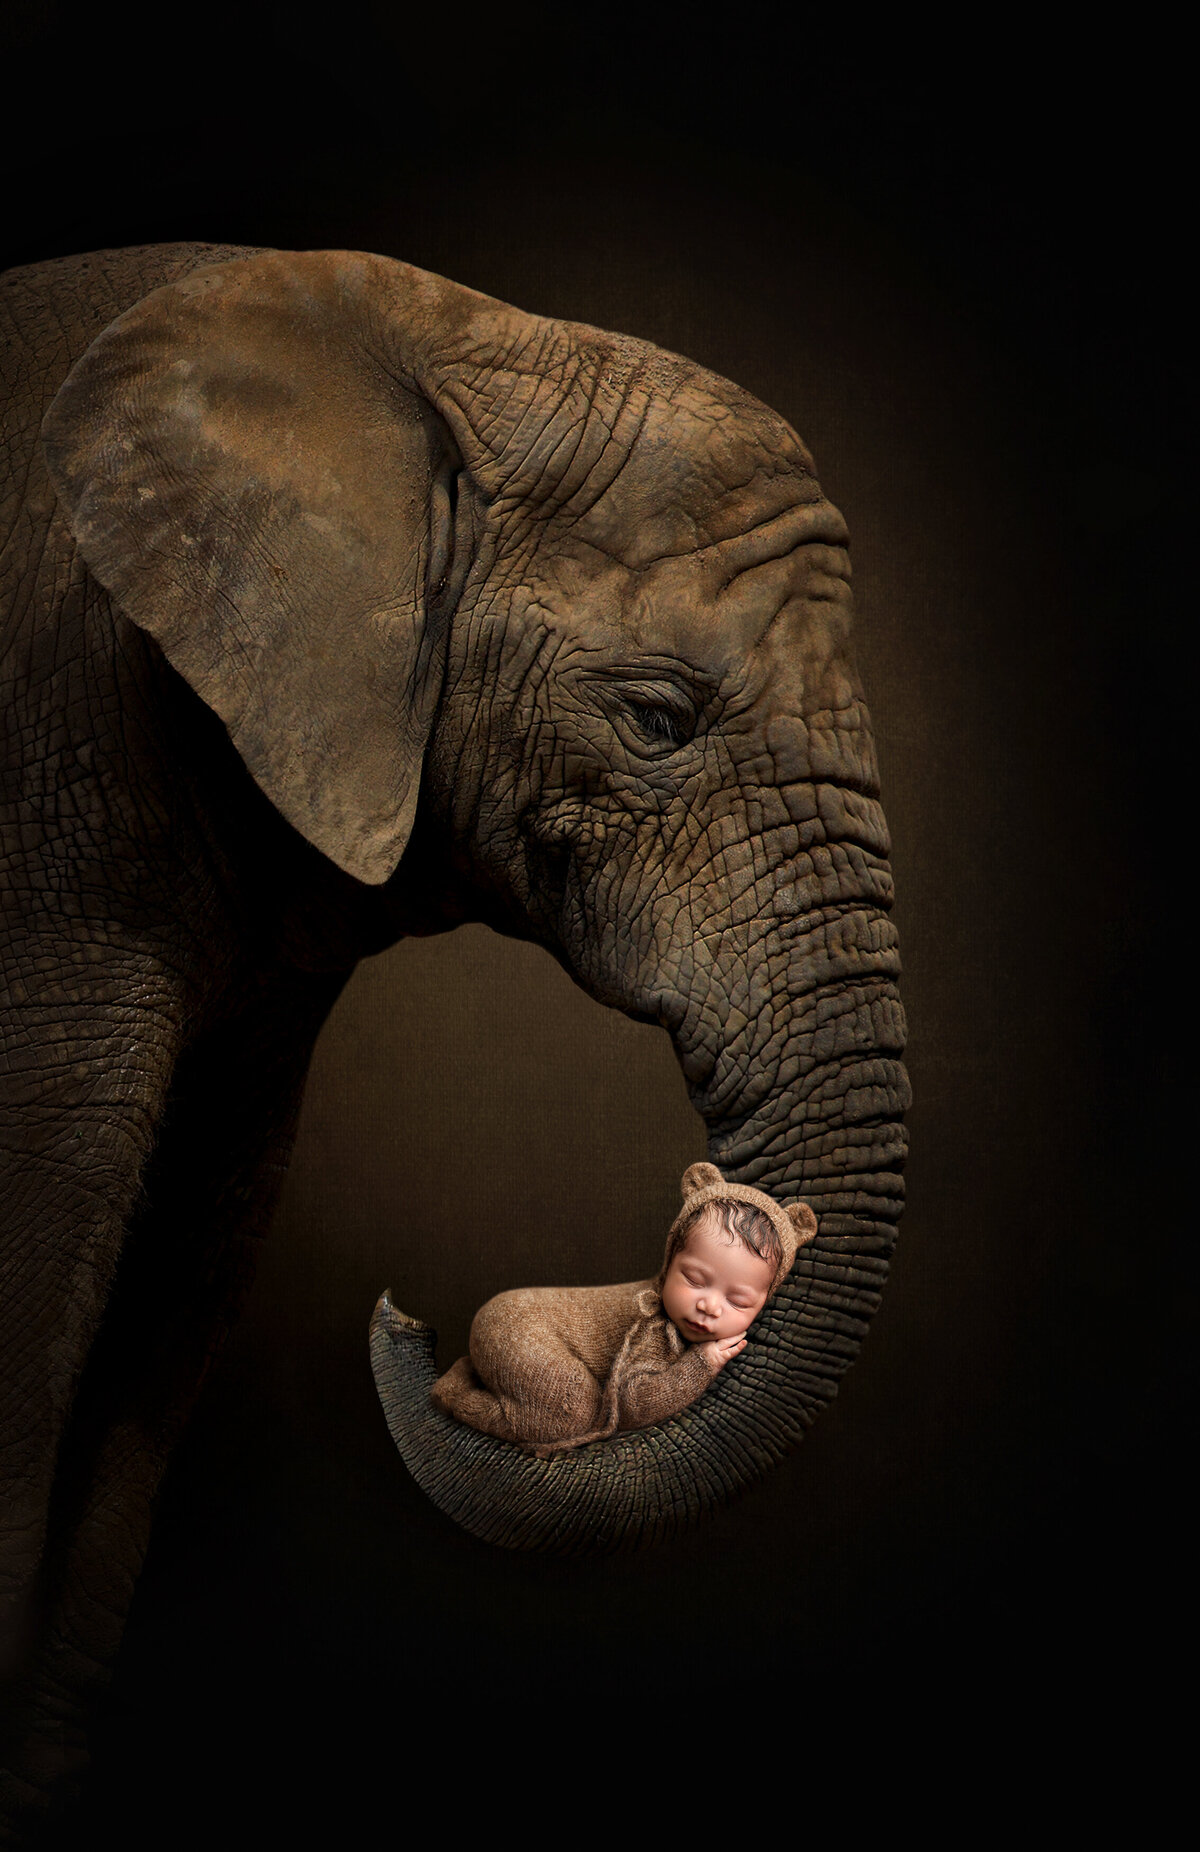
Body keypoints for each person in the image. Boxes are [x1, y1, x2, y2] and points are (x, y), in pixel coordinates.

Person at [430, 1161, 818, 1456]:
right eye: (695, 1280)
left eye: (738, 1301)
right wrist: (701, 1364)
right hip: (514, 1324)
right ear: (669, 1262)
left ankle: (486, 1376)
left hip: (525, 1329)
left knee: (568, 1400)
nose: (709, 1305)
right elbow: (632, 1405)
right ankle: (460, 1393)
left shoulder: (696, 1314)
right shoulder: (655, 1325)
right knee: (571, 1416)